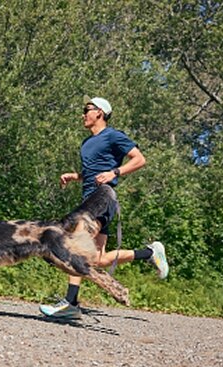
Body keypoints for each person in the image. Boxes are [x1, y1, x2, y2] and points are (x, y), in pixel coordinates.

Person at [39, 96, 169, 319]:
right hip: (91, 199)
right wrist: (76, 176)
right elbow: (93, 171)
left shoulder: (113, 136)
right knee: (98, 260)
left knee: (77, 245)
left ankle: (71, 303)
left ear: (100, 112)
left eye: (87, 109)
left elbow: (139, 159)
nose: (83, 114)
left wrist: (115, 172)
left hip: (102, 198)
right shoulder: (86, 142)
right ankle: (149, 253)